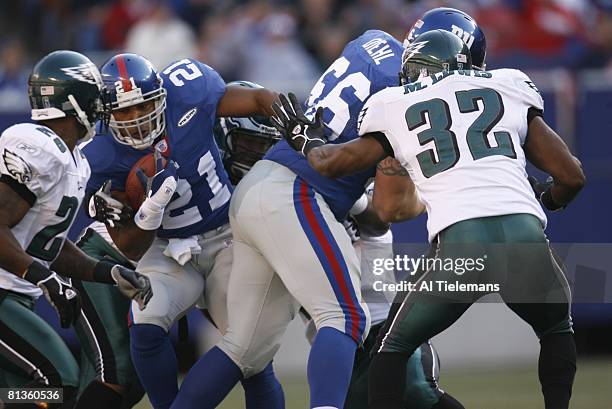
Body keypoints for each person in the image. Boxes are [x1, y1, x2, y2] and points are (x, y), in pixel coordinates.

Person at [172, 7, 485, 409]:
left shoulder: (371, 42)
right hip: (299, 193)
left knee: (244, 349)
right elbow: (388, 208)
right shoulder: (412, 94)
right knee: (344, 317)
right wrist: (423, 194)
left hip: (258, 187)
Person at [272, 29, 584, 409]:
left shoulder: (394, 103)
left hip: (463, 245)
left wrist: (305, 139)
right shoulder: (509, 83)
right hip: (525, 236)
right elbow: (571, 176)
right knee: (555, 331)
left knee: (392, 349)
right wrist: (548, 197)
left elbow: (332, 164)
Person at [85, 55, 282, 409]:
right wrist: (150, 210)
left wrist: (284, 112)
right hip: (166, 249)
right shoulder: (101, 156)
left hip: (229, 238)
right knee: (145, 322)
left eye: (143, 106)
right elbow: (130, 246)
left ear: (161, 96)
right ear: (105, 113)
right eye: (124, 112)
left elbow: (254, 99)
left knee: (253, 356)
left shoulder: (188, 91)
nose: (135, 120)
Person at [0, 50, 152, 409]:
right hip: (5, 295)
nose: (102, 105)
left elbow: (49, 245)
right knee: (60, 385)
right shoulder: (36, 145)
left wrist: (109, 272)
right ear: (77, 100)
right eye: (97, 95)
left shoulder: (74, 159)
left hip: (15, 296)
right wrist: (43, 277)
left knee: (32, 397)